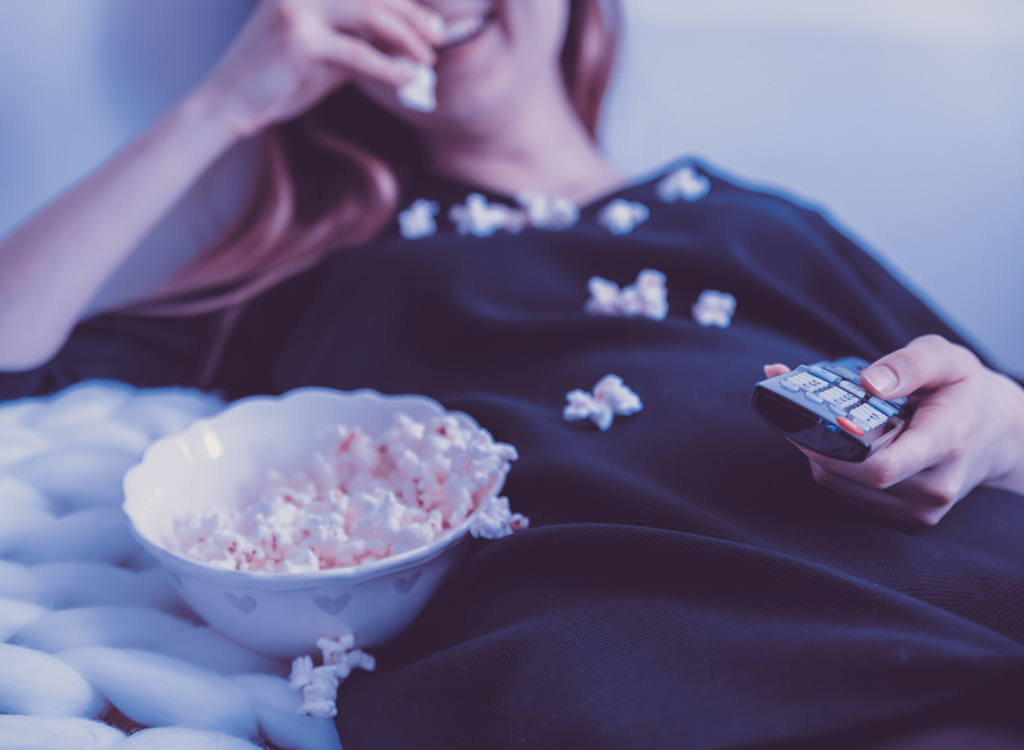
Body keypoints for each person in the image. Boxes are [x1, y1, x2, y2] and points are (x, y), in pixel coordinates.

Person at [2, 0, 1024, 747]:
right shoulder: (326, 275)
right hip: (635, 649)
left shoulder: (762, 224)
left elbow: (994, 413)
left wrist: (997, 429)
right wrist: (225, 104)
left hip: (939, 578)